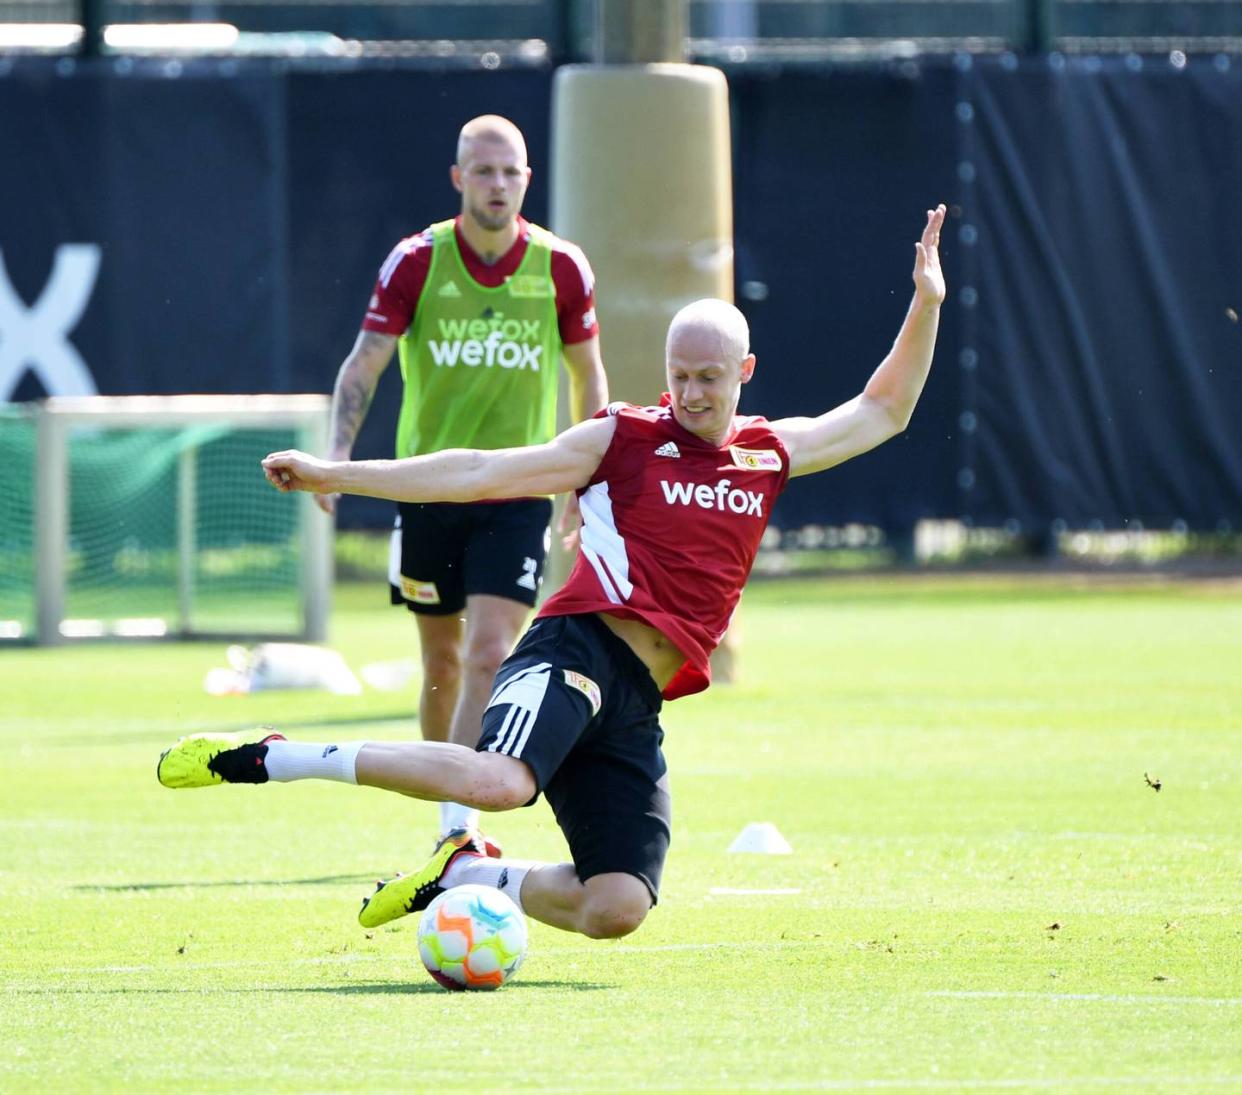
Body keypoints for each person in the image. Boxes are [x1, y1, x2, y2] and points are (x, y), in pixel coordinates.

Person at [158, 205, 947, 942]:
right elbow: (480, 469)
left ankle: (472, 872)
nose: (691, 392)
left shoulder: (767, 451)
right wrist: (339, 474)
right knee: (501, 782)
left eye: (710, 377)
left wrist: (926, 303)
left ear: (745, 369)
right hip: (576, 651)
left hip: (635, 699)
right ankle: (277, 755)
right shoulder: (623, 437)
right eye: (679, 375)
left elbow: (885, 410)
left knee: (616, 906)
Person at [318, 114, 608, 853]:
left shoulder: (562, 267)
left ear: (528, 180)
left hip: (516, 491)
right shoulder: (417, 262)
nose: (498, 185)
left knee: (488, 652)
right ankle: (444, 796)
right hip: (428, 491)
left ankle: (460, 827)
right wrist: (336, 456)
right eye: (484, 171)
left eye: (510, 172)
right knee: (441, 661)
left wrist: (589, 479)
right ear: (458, 179)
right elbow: (365, 362)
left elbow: (587, 376)